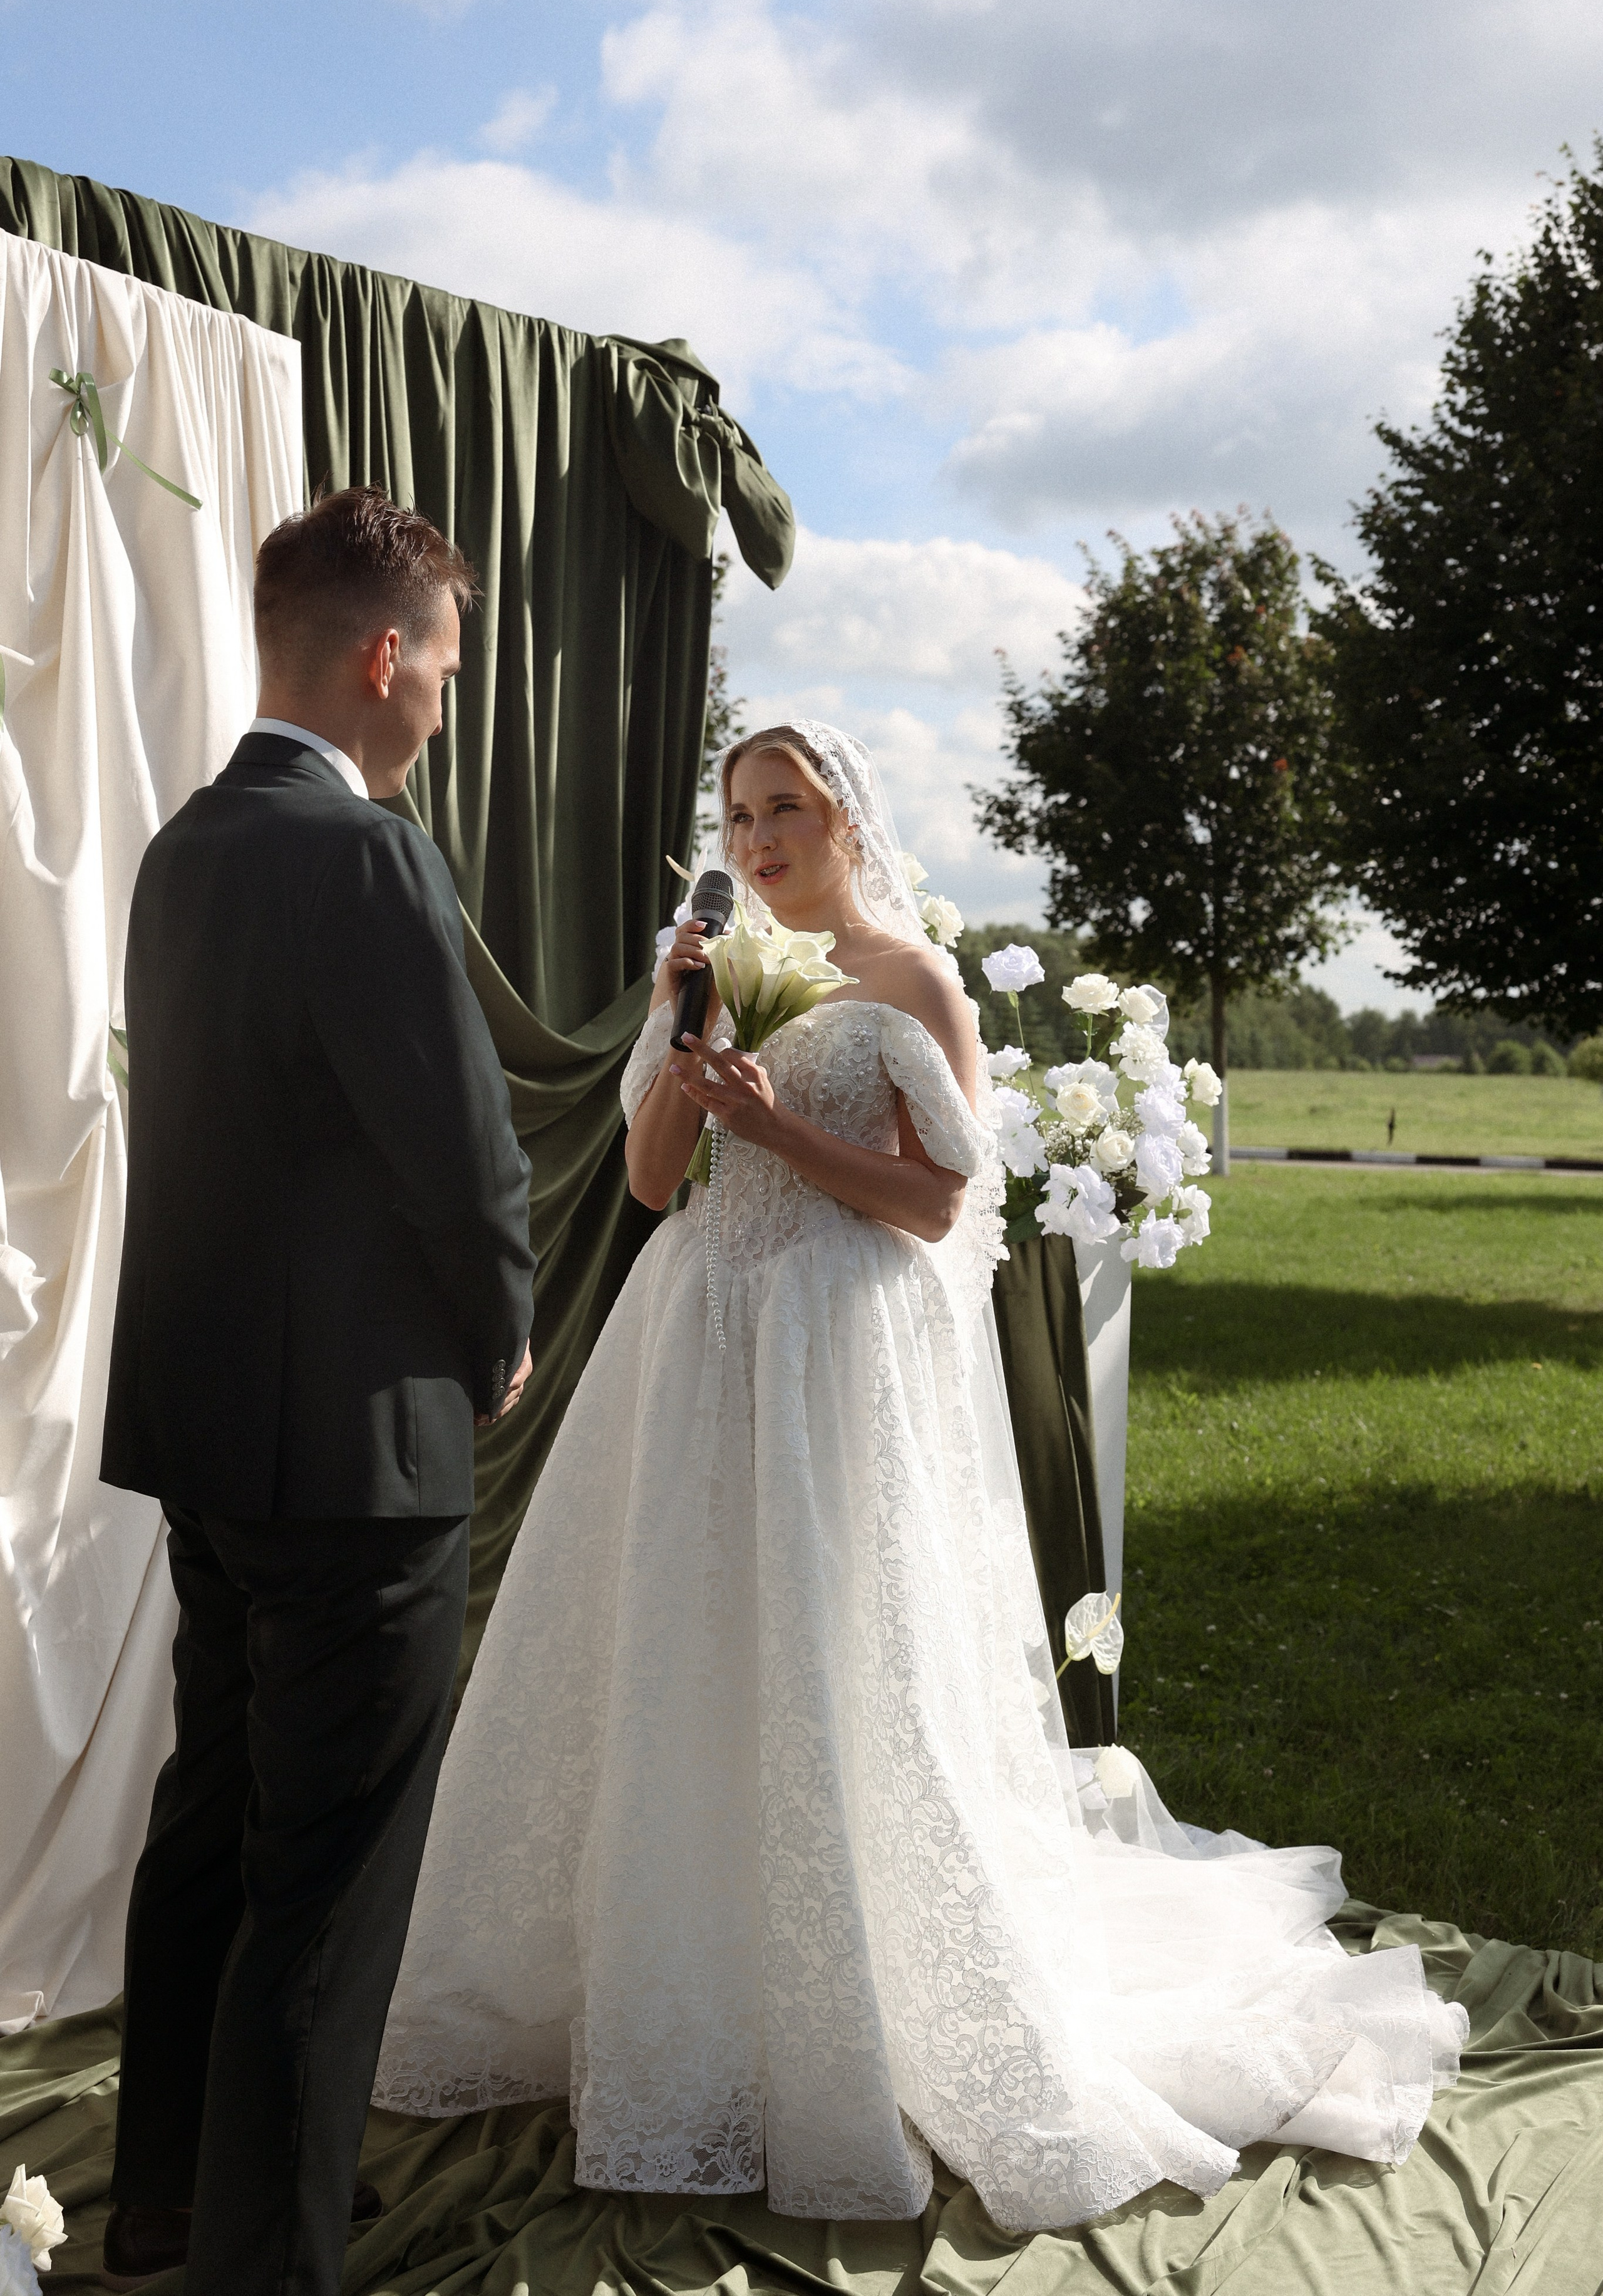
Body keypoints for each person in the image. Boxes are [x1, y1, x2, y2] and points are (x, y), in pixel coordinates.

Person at [374, 719, 1465, 2231]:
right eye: (738, 816)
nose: (755, 844)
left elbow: (944, 1204)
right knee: (682, 1650)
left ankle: (857, 2005)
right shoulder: (704, 965)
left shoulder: (913, 982)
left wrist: (780, 1131)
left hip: (835, 1348)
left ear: (844, 820)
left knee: (834, 1654)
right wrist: (690, 1054)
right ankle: (683, 1995)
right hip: (696, 1335)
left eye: (784, 812)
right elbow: (639, 1182)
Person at [98, 488, 537, 2295]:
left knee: (214, 1821)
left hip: (209, 1431)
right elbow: (459, 1150)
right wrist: (502, 1323)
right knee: (329, 1883)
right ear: (383, 654)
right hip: (361, 1444)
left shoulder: (184, 846)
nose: (444, 695)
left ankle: (163, 2207)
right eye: (442, 659)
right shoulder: (367, 853)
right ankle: (261, 2268)